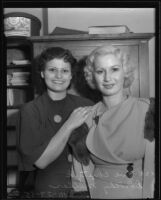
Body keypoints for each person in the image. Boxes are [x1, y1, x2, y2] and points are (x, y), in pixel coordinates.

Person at [69, 45, 155, 199]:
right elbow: (81, 176)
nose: (107, 78)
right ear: (92, 76)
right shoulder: (85, 117)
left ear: (125, 72)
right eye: (100, 71)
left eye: (114, 69)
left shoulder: (149, 110)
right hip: (98, 194)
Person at [17, 47, 94, 198]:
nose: (59, 75)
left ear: (71, 75)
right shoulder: (30, 111)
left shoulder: (87, 105)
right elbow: (41, 162)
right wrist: (70, 124)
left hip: (88, 188)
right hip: (50, 191)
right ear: (42, 73)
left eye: (65, 71)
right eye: (52, 69)